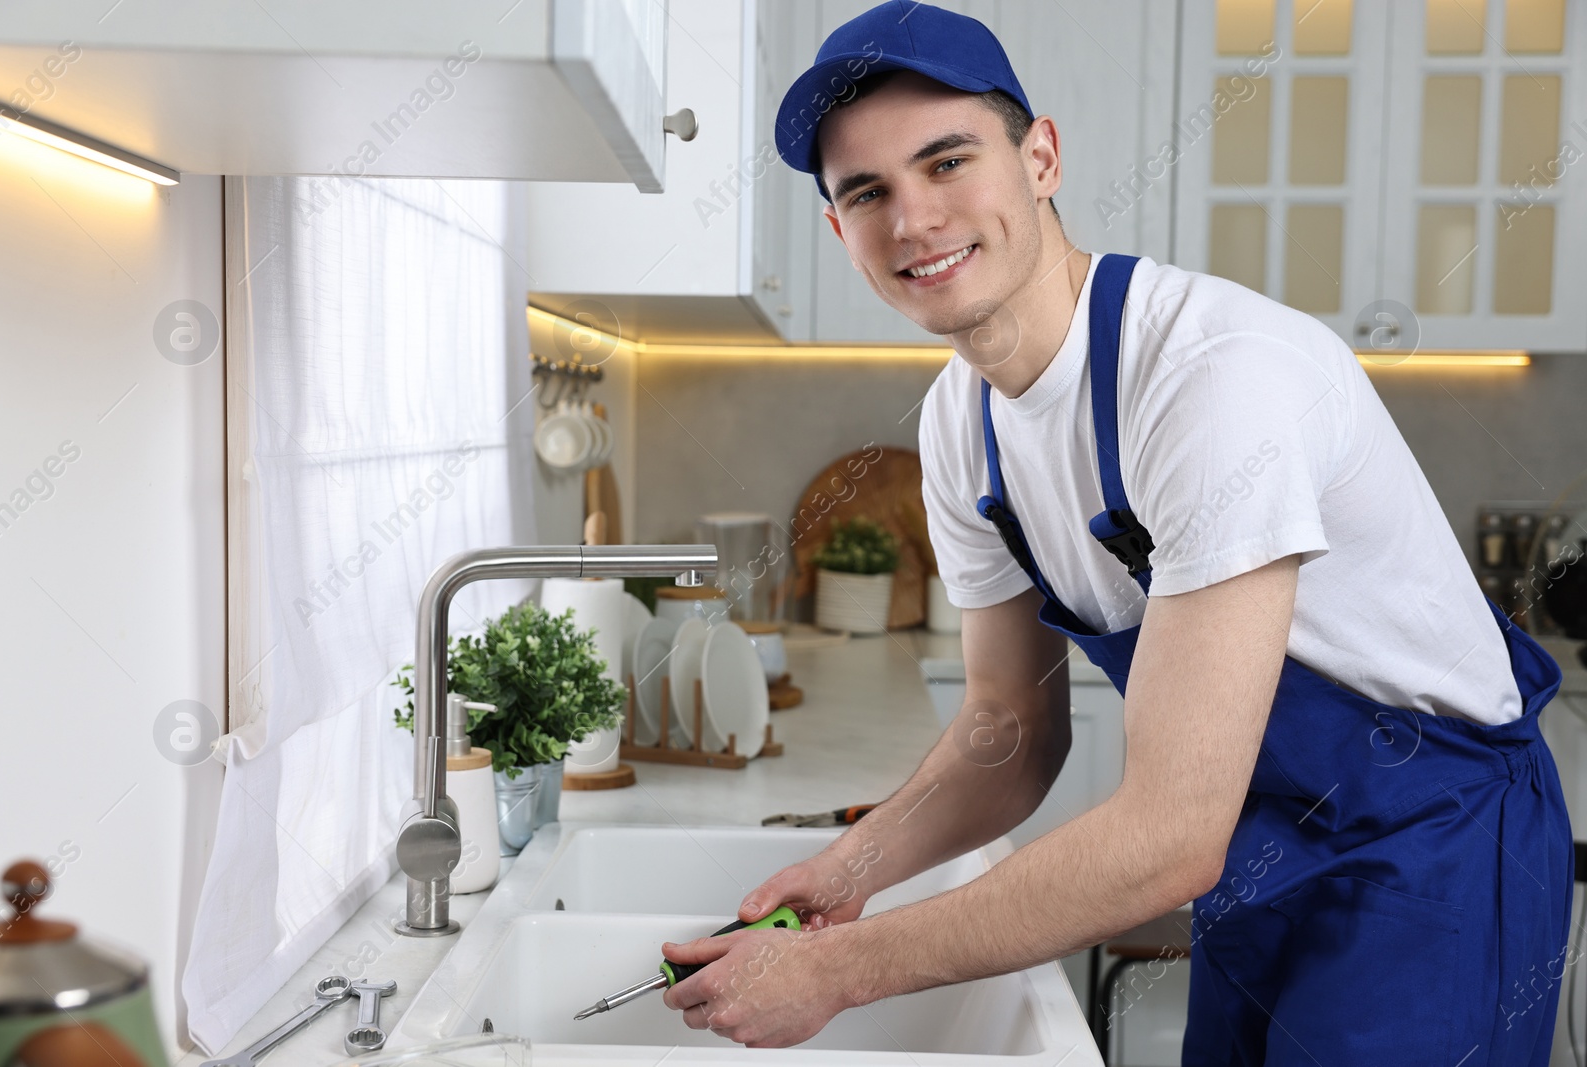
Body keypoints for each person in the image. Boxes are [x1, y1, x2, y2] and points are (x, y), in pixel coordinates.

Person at [658, 3, 1575, 1062]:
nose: (911, 219)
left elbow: (1170, 833)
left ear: (1039, 155)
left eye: (946, 160)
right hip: (1262, 844)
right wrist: (852, 867)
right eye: (866, 192)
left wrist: (838, 972)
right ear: (838, 231)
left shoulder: (1212, 378)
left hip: (1435, 839)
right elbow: (1009, 729)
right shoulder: (962, 426)